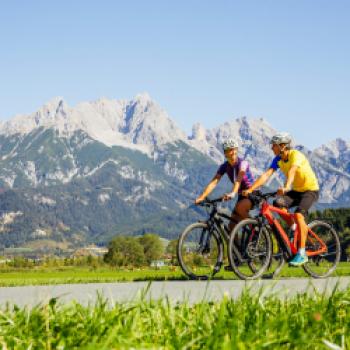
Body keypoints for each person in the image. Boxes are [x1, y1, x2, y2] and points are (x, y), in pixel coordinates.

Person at [242, 132, 319, 266]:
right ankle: (294, 227)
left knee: (299, 214)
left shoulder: (296, 155)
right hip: (296, 191)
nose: (272, 148)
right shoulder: (278, 159)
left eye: (274, 146)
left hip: (310, 190)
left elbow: (292, 171)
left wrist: (287, 186)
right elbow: (266, 175)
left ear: (283, 146)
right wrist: (250, 189)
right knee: (277, 203)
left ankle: (302, 253)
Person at [195, 138, 255, 233]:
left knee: (240, 208)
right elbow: (214, 181)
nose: (232, 152)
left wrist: (233, 193)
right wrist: (202, 197)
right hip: (241, 195)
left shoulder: (243, 163)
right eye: (229, 150)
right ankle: (236, 247)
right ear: (225, 153)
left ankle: (256, 229)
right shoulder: (225, 166)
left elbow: (239, 178)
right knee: (231, 227)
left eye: (234, 149)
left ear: (236, 150)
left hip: (252, 193)